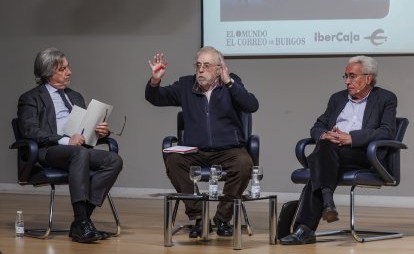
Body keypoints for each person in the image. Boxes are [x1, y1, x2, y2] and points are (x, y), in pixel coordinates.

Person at [280, 55, 397, 245]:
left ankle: (314, 218)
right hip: (332, 153)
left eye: (352, 76)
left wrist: (351, 138)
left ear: (368, 78)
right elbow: (318, 125)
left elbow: (387, 131)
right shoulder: (337, 98)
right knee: (326, 147)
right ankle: (310, 223)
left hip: (363, 154)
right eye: (345, 76)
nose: (347, 81)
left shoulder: (385, 98)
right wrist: (323, 135)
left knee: (320, 159)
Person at [145, 46, 259, 238]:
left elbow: (251, 105)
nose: (201, 70)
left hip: (228, 149)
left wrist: (229, 82)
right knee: (174, 160)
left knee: (244, 163)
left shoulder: (230, 84)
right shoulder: (185, 85)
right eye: (198, 65)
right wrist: (155, 80)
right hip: (195, 150)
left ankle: (222, 219)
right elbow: (155, 98)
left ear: (218, 68)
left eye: (207, 66)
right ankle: (199, 217)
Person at [17, 47, 123, 243]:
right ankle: (82, 223)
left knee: (113, 160)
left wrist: (100, 132)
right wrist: (65, 140)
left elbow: (83, 133)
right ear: (48, 72)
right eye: (63, 69)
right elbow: (30, 131)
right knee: (79, 154)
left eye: (68, 67)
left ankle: (81, 222)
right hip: (49, 151)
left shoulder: (75, 96)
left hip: (76, 151)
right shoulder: (30, 98)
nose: (69, 72)